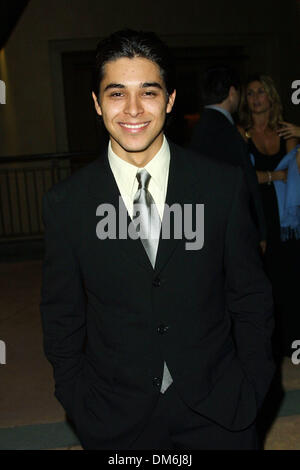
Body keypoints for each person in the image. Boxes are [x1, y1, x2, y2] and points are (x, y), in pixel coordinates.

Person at [40, 30, 274, 450]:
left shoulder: (221, 187)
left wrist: (253, 385)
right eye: (116, 93)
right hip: (116, 419)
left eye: (148, 92)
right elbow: (62, 318)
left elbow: (251, 297)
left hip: (220, 411)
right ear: (96, 102)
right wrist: (78, 401)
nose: (133, 109)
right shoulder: (67, 204)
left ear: (169, 100)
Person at [238, 74, 299, 358]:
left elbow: (296, 177)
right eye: (250, 93)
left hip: (285, 219)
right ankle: (265, 347)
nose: (256, 97)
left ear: (271, 97)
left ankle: (290, 345)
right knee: (261, 283)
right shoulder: (241, 133)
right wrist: (274, 175)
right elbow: (241, 178)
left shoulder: (286, 132)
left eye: (261, 92)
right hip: (256, 216)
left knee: (287, 281)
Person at [188, 65, 267, 253]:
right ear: (232, 92)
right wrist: (260, 231)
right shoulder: (226, 131)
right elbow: (246, 181)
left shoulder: (199, 128)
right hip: (229, 229)